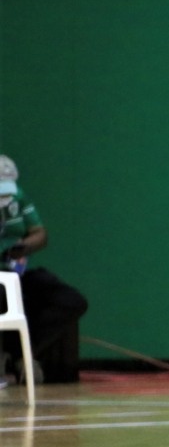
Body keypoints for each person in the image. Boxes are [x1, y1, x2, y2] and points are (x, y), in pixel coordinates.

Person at [0, 155, 90, 385]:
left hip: (16, 272)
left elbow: (40, 233)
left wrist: (25, 246)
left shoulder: (17, 199)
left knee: (70, 300)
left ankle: (20, 352)